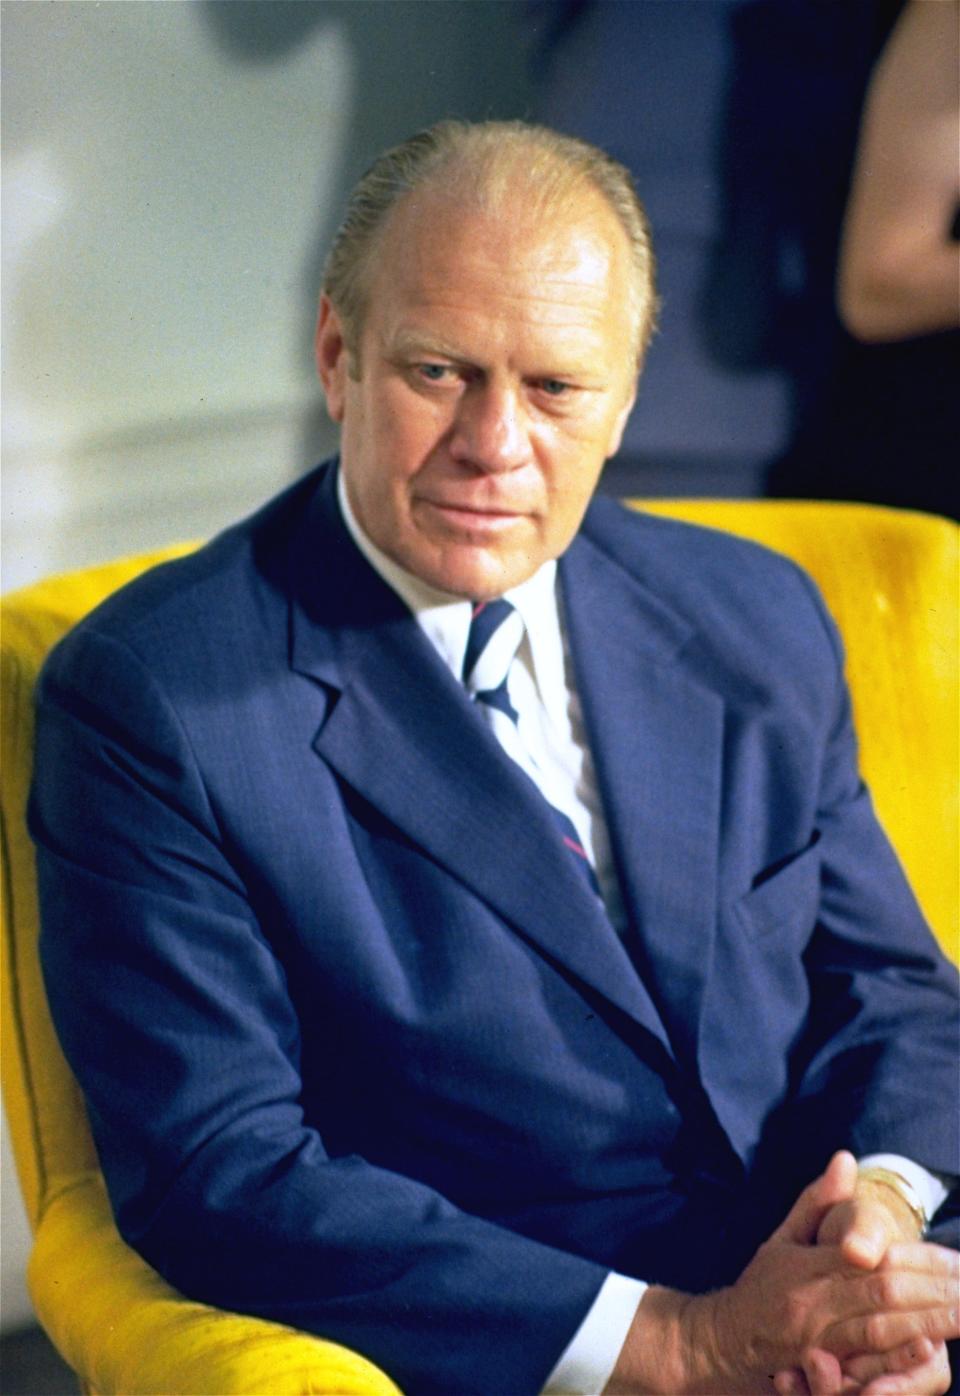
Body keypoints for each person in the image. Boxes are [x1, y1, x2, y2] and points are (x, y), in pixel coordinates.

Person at [31, 121, 959, 1396]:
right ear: (337, 356)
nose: (494, 442)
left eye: (557, 388)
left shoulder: (755, 614)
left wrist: (881, 1241)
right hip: (542, 1351)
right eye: (438, 371)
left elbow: (893, 990)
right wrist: (681, 1346)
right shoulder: (155, 699)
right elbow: (221, 1171)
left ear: (626, 402)